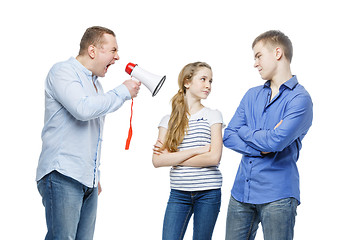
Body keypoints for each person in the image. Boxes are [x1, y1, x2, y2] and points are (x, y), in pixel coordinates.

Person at [36, 26, 141, 239]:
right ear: (93, 51)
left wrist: (92, 173)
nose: (117, 57)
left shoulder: (96, 87)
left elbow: (90, 133)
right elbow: (82, 109)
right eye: (113, 50)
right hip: (62, 174)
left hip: (87, 179)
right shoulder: (63, 71)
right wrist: (122, 91)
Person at [223, 30, 313, 240]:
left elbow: (275, 141)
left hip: (278, 196)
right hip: (241, 193)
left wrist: (245, 132)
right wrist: (264, 144)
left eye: (258, 55)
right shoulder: (252, 94)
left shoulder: (300, 99)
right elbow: (228, 135)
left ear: (278, 53)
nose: (255, 63)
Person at [152, 62, 223, 240]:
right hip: (178, 193)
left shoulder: (213, 115)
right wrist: (198, 150)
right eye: (203, 79)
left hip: (208, 192)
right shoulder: (167, 121)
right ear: (187, 82)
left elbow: (214, 157)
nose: (208, 85)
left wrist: (173, 158)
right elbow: (157, 161)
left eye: (211, 81)